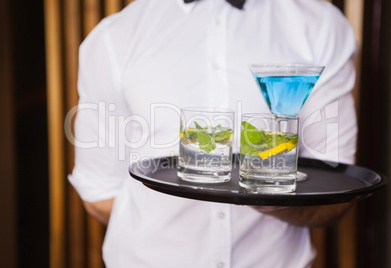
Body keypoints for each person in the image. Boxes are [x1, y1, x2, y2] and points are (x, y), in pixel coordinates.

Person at [68, 0, 358, 267]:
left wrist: (267, 196)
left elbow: (334, 190)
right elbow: (99, 194)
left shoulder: (321, 26)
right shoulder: (113, 37)